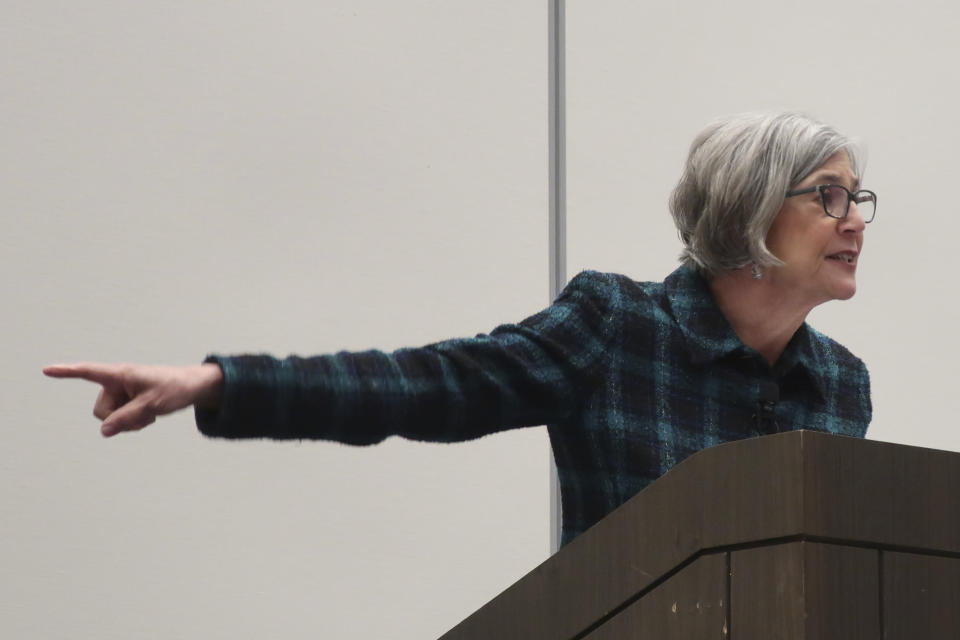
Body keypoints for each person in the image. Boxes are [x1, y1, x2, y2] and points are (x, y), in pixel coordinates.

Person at [44, 111, 875, 547]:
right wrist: (226, 382)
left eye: (858, 198)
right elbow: (435, 384)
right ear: (749, 208)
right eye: (828, 195)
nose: (855, 220)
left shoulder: (840, 382)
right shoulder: (616, 327)